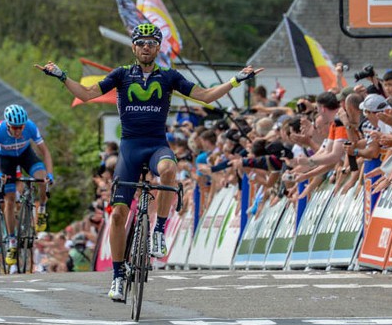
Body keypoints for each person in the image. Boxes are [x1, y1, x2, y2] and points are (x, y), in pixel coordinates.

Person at [36, 22, 263, 300]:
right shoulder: (120, 75)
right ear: (133, 47)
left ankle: (158, 230)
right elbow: (86, 94)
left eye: (151, 43)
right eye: (141, 42)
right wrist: (61, 76)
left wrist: (236, 80)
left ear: (158, 47)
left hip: (156, 145)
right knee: (118, 214)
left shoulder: (168, 77)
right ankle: (118, 277)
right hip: (130, 149)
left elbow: (204, 97)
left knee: (169, 169)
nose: (146, 47)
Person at [0, 104, 54, 267]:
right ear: (8, 125)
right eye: (15, 128)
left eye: (20, 128)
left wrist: (50, 174)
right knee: (9, 200)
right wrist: (0, 174)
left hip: (25, 155)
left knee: (42, 178)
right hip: (7, 160)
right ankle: (12, 241)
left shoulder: (30, 126)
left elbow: (45, 152)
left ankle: (42, 210)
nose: (18, 131)